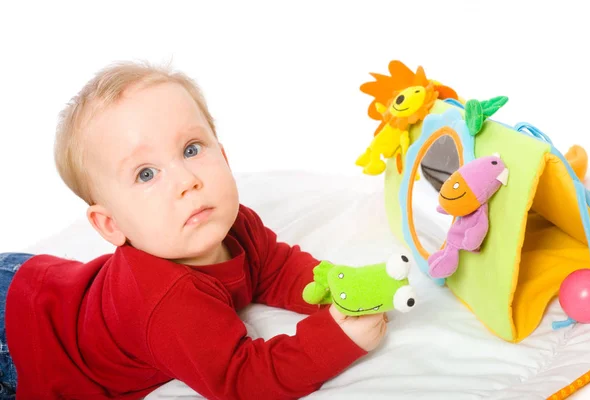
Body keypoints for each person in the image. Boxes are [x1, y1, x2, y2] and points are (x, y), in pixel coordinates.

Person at [0, 61, 388, 400]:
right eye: (146, 174)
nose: (186, 181)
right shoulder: (165, 300)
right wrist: (337, 339)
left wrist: (341, 288)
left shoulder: (231, 221)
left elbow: (277, 267)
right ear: (111, 224)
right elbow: (242, 379)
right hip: (16, 337)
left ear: (222, 153)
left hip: (39, 286)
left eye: (191, 149)